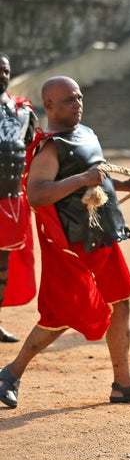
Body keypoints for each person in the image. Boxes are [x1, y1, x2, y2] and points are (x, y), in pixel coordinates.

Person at [0, 76, 130, 409]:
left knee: (120, 302)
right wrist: (82, 178)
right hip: (73, 245)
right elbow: (37, 193)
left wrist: (124, 184)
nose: (78, 104)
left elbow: (94, 180)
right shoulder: (50, 146)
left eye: (78, 98)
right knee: (62, 315)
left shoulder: (86, 133)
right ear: (49, 105)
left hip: (102, 235)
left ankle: (123, 384)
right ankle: (10, 373)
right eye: (69, 100)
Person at [0, 53, 38, 343]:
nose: (2, 75)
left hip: (11, 200)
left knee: (3, 265)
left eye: (5, 70)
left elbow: (30, 154)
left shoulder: (23, 111)